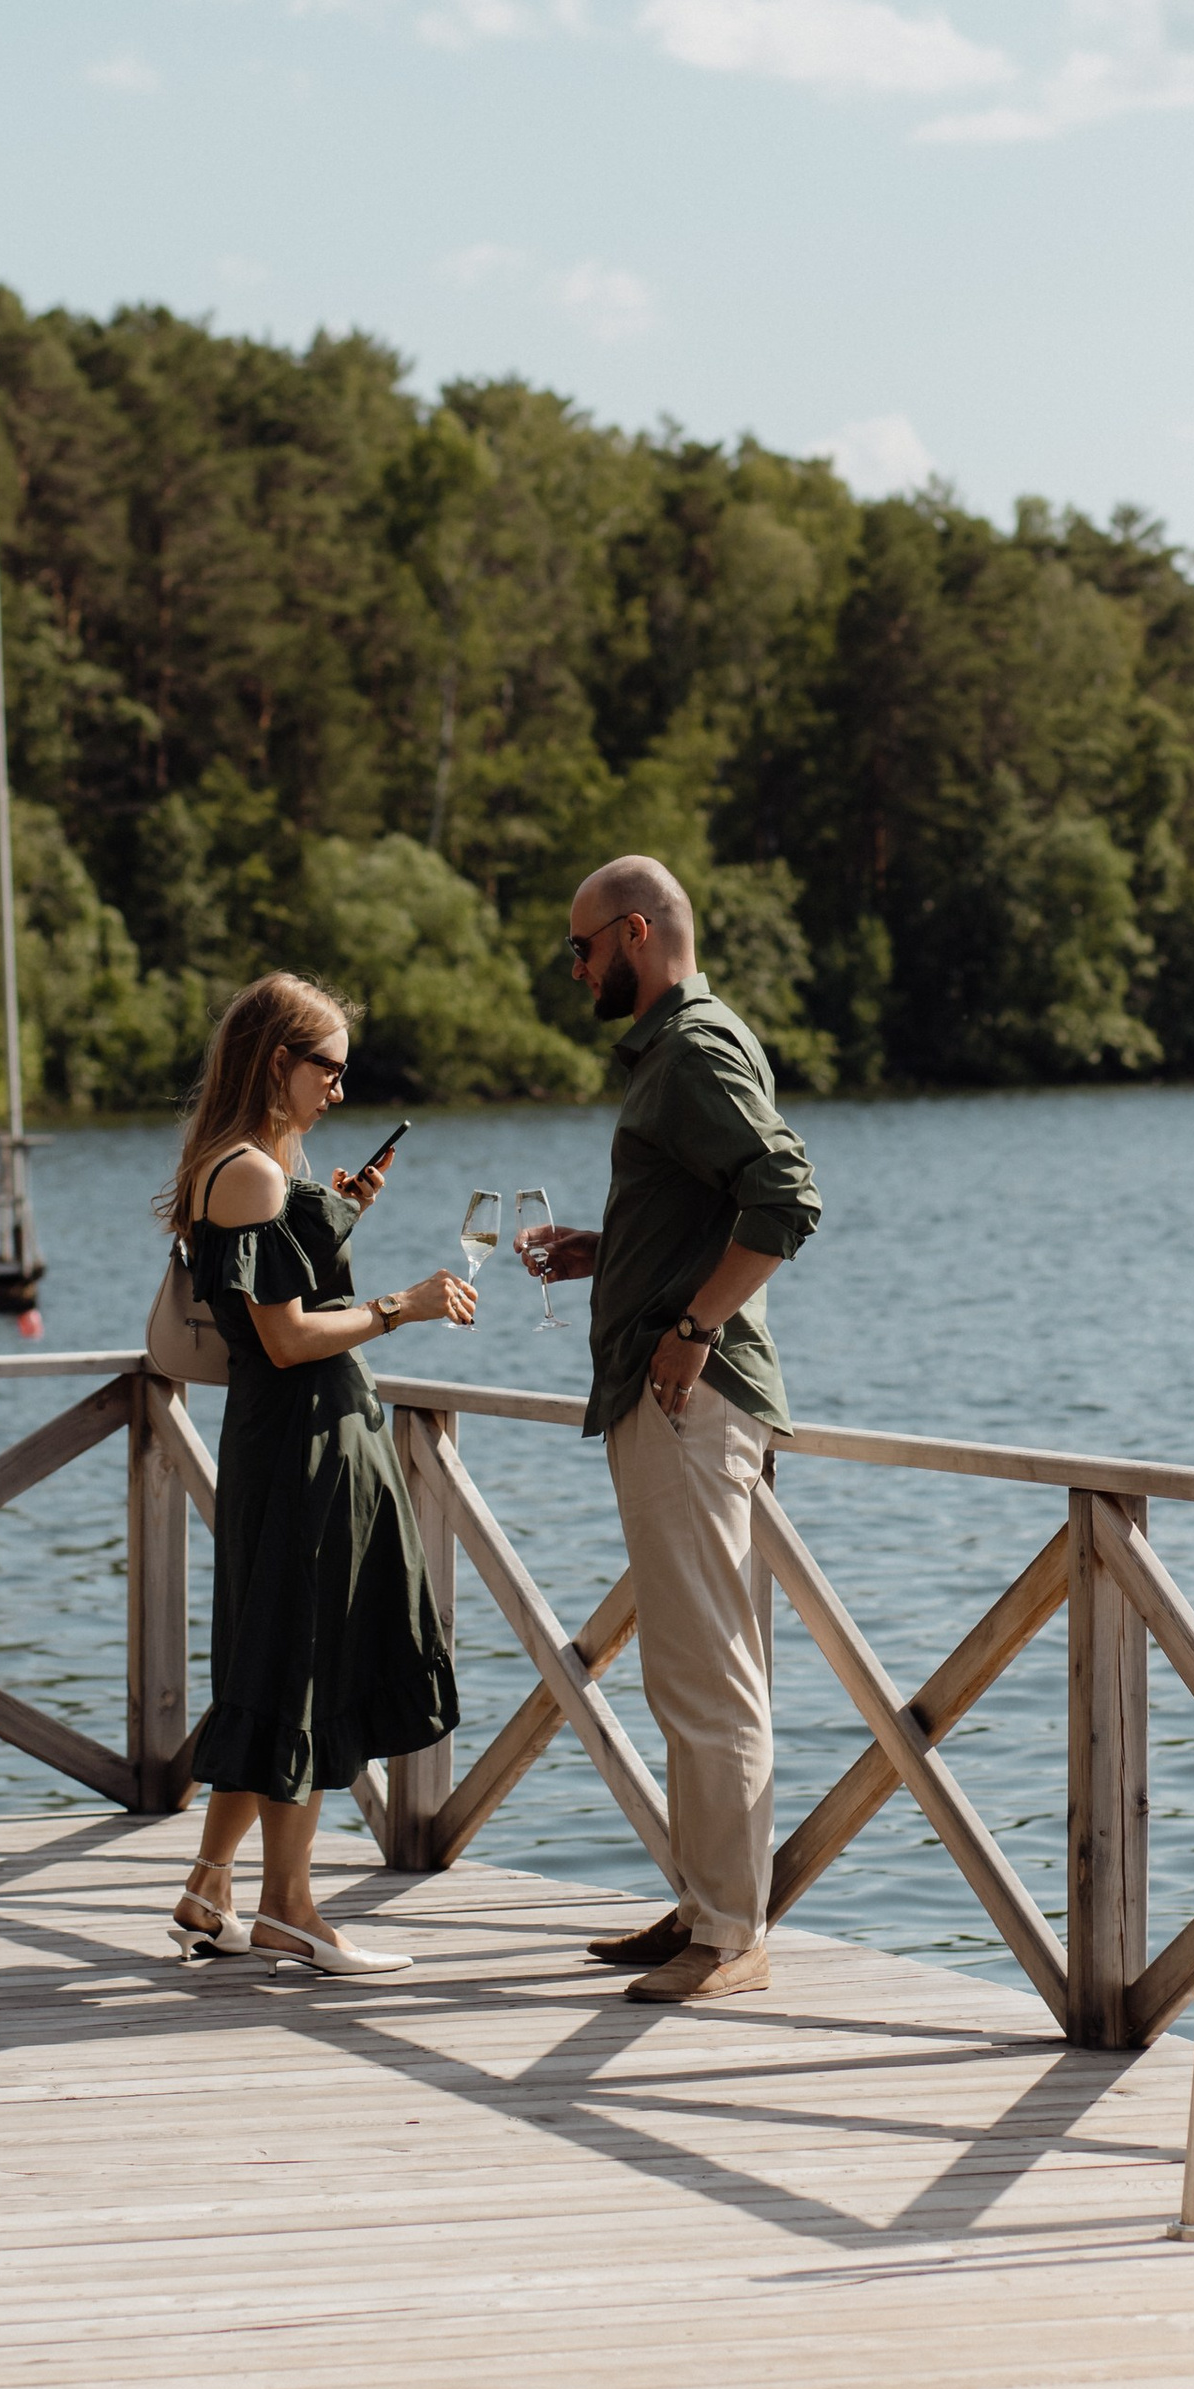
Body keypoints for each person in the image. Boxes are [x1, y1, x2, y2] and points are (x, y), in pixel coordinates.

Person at [522, 855, 822, 2005]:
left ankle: (731, 1935)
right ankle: (705, 1903)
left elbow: (785, 1197)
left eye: (583, 947)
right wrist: (619, 1251)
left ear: (635, 933)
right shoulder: (681, 1047)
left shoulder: (690, 1048)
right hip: (671, 1394)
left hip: (688, 1400)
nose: (577, 966)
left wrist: (693, 1322)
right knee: (690, 1666)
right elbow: (723, 1202)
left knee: (708, 1672)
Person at [165, 972, 476, 1979]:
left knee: (271, 1664)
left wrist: (335, 1215)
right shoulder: (252, 1171)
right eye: (329, 1070)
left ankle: (211, 1887)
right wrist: (404, 1306)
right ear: (277, 1062)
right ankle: (290, 1909)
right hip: (300, 1444)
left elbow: (279, 1295)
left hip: (300, 1438)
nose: (339, 1092)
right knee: (298, 1665)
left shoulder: (260, 1164)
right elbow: (287, 1338)